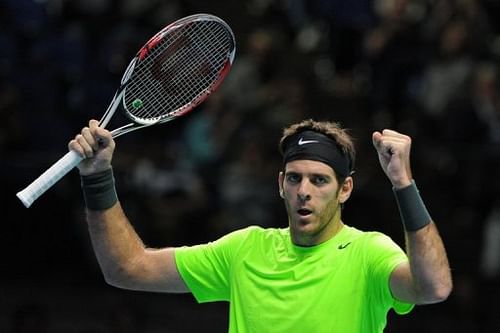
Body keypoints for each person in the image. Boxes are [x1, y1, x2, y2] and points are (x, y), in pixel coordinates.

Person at [69, 118, 452, 332]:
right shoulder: (245, 249)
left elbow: (434, 287)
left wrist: (403, 183)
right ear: (280, 185)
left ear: (344, 189)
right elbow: (126, 268)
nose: (304, 191)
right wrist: (97, 175)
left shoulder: (369, 253)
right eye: (294, 178)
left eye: (319, 181)